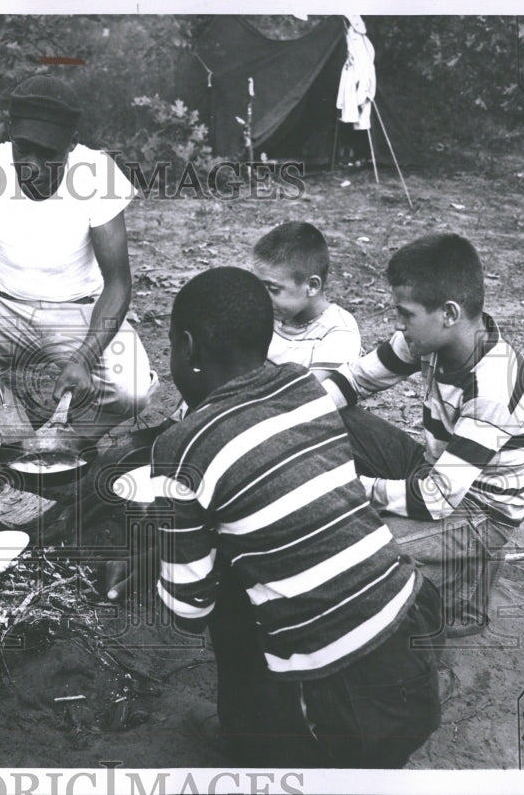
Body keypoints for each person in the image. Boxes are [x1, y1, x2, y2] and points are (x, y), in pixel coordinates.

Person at [151, 266, 441, 768]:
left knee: (229, 593)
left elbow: (187, 610)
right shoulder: (306, 388)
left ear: (189, 348)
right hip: (415, 641)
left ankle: (251, 741)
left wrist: (163, 553)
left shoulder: (179, 449)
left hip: (344, 707)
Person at [0, 75, 154, 476]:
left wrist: (85, 357)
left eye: (48, 153)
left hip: (80, 315)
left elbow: (119, 285)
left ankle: (68, 438)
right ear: (10, 135)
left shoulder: (98, 175)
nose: (32, 166)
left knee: (134, 389)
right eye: (24, 149)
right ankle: (5, 428)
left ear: (72, 143)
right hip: (6, 312)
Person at [321, 233, 524, 635]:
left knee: (359, 555)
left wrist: (350, 490)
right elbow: (354, 381)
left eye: (406, 314)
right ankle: (430, 560)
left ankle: (463, 589)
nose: (399, 325)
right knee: (337, 417)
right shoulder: (429, 340)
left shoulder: (493, 385)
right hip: (436, 470)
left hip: (479, 512)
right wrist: (289, 414)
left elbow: (437, 498)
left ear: (449, 312)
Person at [251, 221, 361, 380]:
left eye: (273, 289)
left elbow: (312, 396)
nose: (262, 296)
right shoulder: (269, 314)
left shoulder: (337, 333)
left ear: (312, 286)